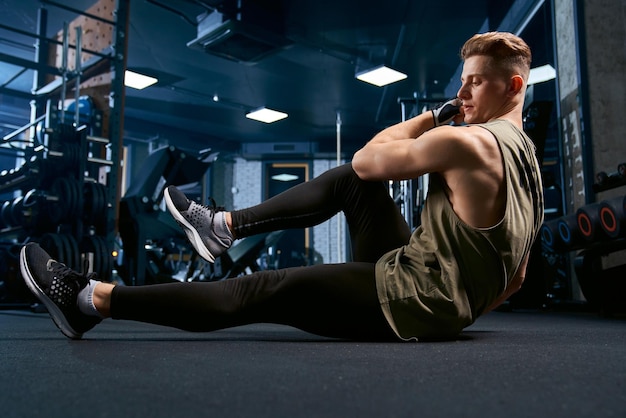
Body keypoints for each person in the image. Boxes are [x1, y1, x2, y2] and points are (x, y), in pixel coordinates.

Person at [20, 31, 544, 342]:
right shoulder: (531, 169)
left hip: (413, 298)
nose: (463, 90)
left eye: (476, 80)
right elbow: (515, 277)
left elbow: (367, 159)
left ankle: (89, 300)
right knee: (350, 187)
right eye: (464, 79)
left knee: (263, 290)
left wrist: (435, 115)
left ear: (513, 85)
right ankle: (223, 227)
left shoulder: (468, 143)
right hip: (425, 281)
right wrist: (460, 311)